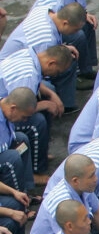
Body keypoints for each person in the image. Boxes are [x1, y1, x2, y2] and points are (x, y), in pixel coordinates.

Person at [0, 45, 72, 183]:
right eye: (56, 72)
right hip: (7, 107)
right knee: (36, 122)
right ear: (51, 63)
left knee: (47, 94)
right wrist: (45, 105)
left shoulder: (29, 55)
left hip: (9, 103)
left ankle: (39, 156)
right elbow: (20, 104)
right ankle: (37, 169)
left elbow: (35, 87)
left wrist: (51, 95)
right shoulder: (27, 76)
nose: (53, 76)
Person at [0, 2, 86, 112]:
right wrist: (48, 99)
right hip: (15, 73)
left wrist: (63, 48)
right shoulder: (46, 41)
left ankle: (65, 104)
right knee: (49, 88)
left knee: (68, 57)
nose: (75, 33)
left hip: (16, 61)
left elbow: (46, 55)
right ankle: (60, 107)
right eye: (74, 29)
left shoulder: (45, 11)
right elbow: (40, 67)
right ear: (65, 23)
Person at [32, 0, 99, 80]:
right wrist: (61, 47)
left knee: (88, 23)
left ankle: (86, 69)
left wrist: (85, 14)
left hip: (61, 22)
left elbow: (78, 8)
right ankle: (75, 72)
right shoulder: (54, 1)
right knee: (78, 35)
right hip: (47, 31)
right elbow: (48, 27)